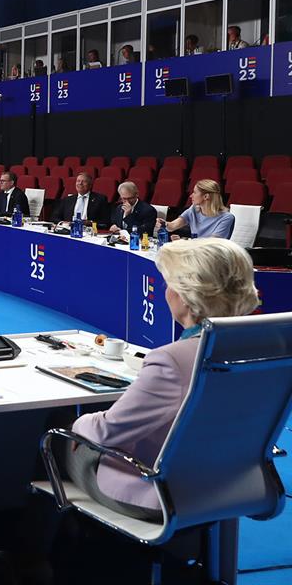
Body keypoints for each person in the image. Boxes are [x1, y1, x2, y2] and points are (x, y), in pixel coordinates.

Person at [65, 239, 258, 521]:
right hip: (232, 484)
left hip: (162, 490)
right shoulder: (262, 348)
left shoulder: (173, 360)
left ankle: (33, 556)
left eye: (169, 284)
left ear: (187, 294)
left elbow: (107, 432)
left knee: (59, 433)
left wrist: (77, 423)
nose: (166, 292)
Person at [160, 179, 235, 240]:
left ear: (206, 196)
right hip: (194, 253)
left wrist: (184, 243)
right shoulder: (193, 209)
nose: (190, 196)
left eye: (195, 192)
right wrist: (164, 224)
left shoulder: (226, 218)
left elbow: (212, 245)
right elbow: (172, 226)